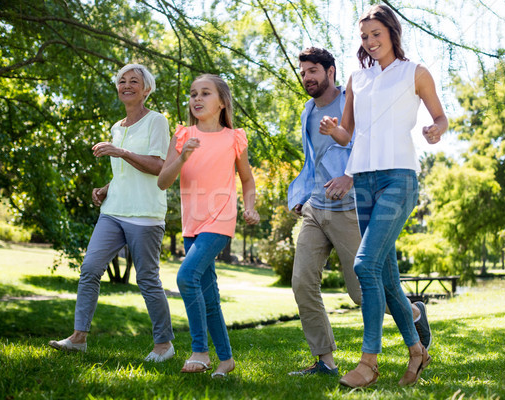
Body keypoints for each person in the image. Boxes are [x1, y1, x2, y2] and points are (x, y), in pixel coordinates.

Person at [320, 4, 447, 388]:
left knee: (364, 266)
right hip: (364, 181)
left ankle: (368, 362)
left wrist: (435, 130)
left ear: (392, 32)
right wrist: (332, 130)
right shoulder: (358, 79)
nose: (370, 41)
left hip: (399, 179)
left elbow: (440, 117)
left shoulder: (416, 73)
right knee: (387, 275)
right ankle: (416, 351)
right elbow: (349, 133)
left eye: (376, 34)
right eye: (364, 37)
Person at [288, 47, 432, 377]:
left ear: (331, 72)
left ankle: (412, 313)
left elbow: (366, 147)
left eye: (313, 71)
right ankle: (324, 361)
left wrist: (349, 178)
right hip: (316, 208)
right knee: (302, 283)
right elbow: (313, 160)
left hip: (351, 207)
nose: (308, 77)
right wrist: (302, 194)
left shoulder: (355, 99)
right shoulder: (307, 111)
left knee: (361, 293)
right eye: (304, 72)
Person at [48, 64, 175, 362]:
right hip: (113, 210)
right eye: (122, 81)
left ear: (146, 89)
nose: (126, 85)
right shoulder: (117, 127)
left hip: (145, 214)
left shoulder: (157, 121)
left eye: (134, 81)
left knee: (147, 279)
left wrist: (121, 152)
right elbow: (126, 173)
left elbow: (159, 167)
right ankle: (78, 338)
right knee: (90, 268)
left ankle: (164, 345)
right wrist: (106, 187)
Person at [157, 74, 259, 377]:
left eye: (205, 93)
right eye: (192, 94)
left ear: (222, 102)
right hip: (192, 225)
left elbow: (247, 179)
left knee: (187, 276)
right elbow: (164, 181)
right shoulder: (182, 135)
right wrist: (183, 155)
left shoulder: (234, 138)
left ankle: (200, 350)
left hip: (221, 219)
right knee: (209, 295)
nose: (196, 99)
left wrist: (249, 207)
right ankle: (226, 359)